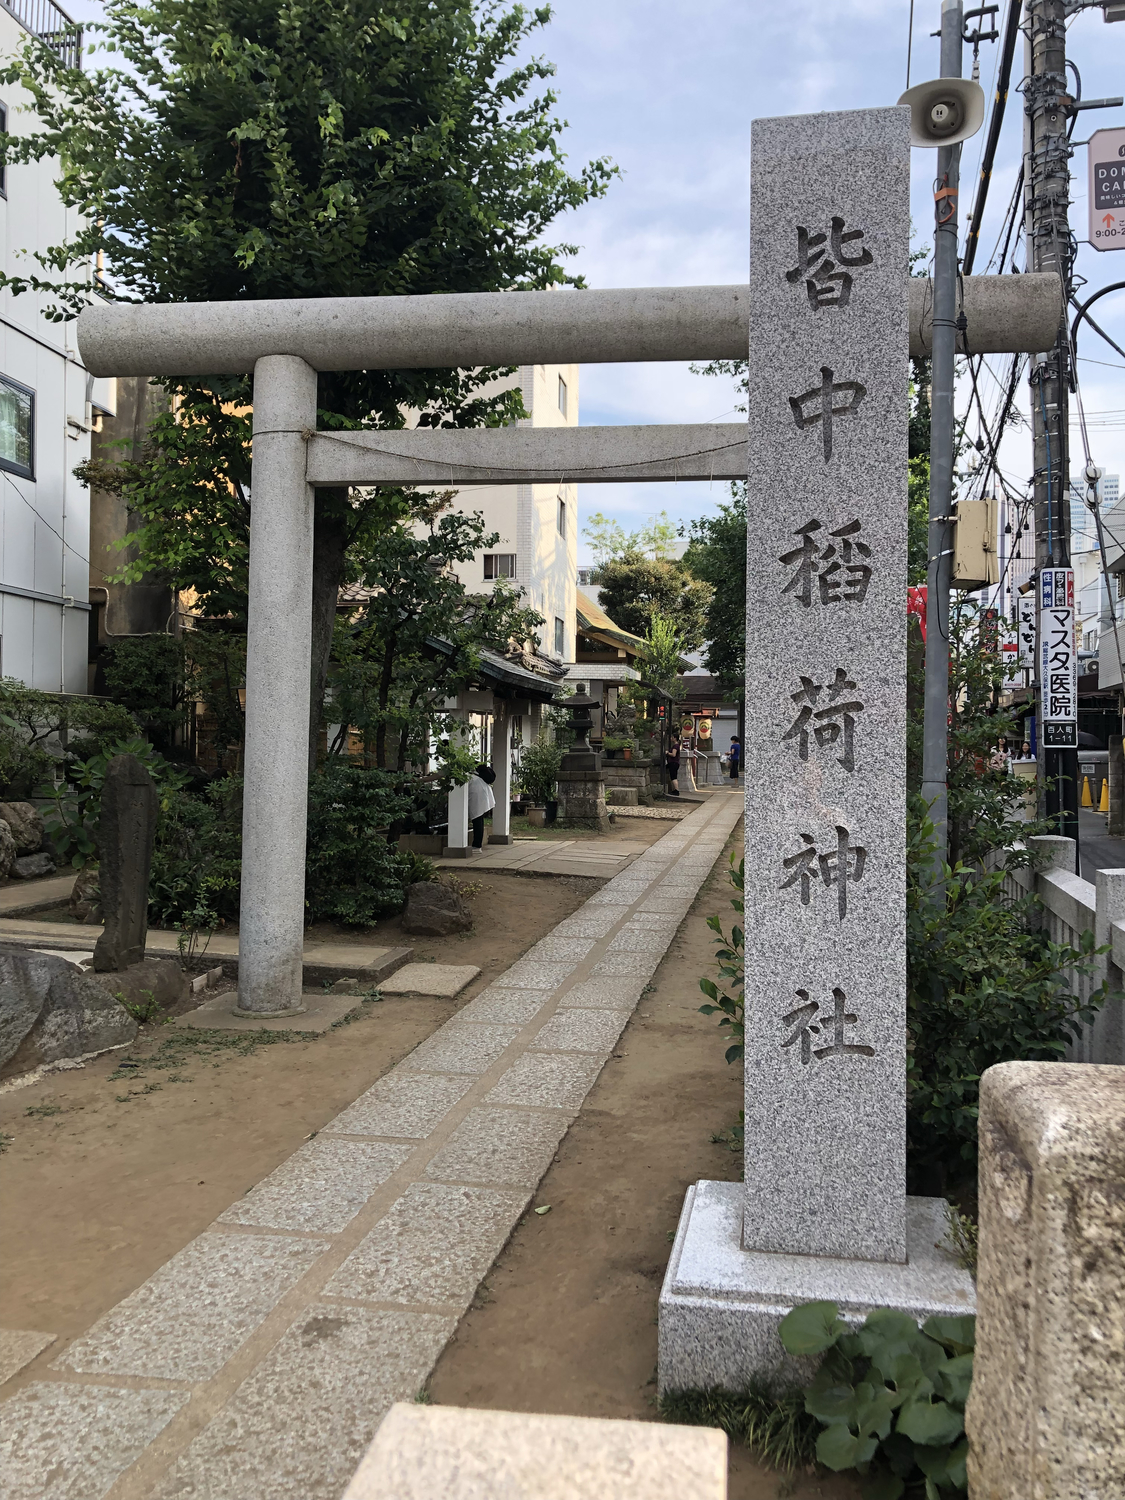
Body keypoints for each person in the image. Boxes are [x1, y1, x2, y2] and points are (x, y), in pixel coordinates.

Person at [467, 764, 496, 849]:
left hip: (477, 800)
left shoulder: (471, 777)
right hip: (482, 799)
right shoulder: (477, 777)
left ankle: (476, 845)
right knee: (479, 821)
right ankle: (477, 844)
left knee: (477, 821)